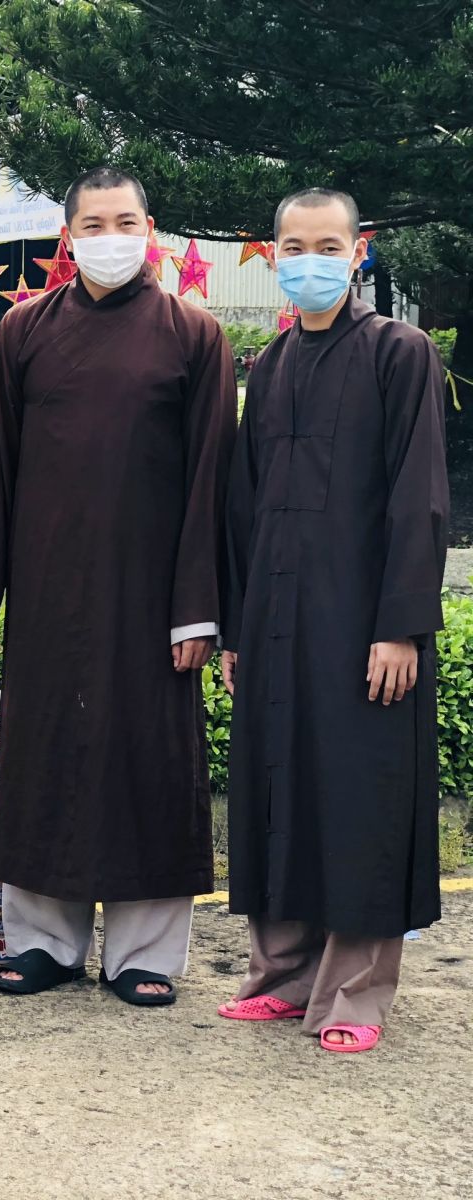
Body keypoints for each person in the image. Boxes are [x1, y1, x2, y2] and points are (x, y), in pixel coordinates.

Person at [0, 167, 237, 1006]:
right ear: (67, 238)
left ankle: (145, 953)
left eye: (127, 220)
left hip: (153, 594)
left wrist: (198, 609)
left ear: (151, 228)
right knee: (47, 756)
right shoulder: (25, 330)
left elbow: (210, 480)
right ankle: (44, 943)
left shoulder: (194, 335)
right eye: (93, 224)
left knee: (150, 756)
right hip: (46, 583)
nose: (111, 236)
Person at [218, 188, 448, 1053]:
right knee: (280, 788)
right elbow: (246, 507)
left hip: (361, 622)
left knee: (358, 798)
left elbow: (418, 499)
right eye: (291, 244)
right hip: (277, 618)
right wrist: (239, 627)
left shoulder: (400, 353)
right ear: (270, 253)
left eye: (325, 244)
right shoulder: (271, 366)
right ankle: (280, 974)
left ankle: (354, 992)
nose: (306, 258)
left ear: (359, 252)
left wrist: (399, 626)